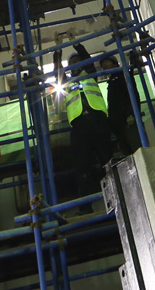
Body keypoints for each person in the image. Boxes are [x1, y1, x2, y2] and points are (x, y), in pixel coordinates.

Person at [57, 47, 113, 202]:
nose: (75, 64)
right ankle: (85, 206)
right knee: (82, 166)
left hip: (97, 119)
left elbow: (88, 60)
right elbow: (58, 72)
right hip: (79, 124)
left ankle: (118, 197)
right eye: (71, 63)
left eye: (77, 61)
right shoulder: (66, 82)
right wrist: (58, 50)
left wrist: (77, 44)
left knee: (107, 159)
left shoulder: (90, 74)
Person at [97, 53, 140, 157]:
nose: (105, 68)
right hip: (119, 126)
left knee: (137, 152)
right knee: (129, 155)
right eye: (103, 66)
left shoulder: (123, 76)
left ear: (116, 65)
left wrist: (131, 114)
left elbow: (132, 94)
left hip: (128, 122)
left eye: (108, 64)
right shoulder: (111, 83)